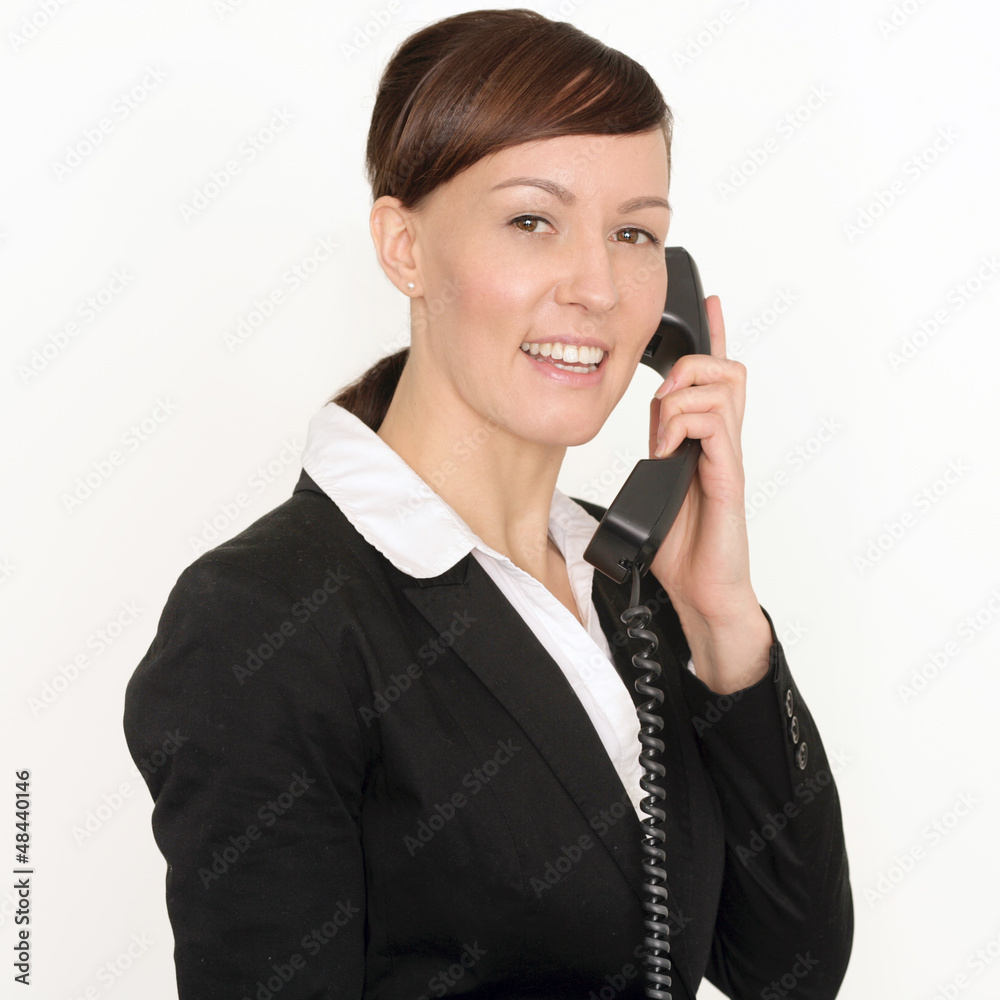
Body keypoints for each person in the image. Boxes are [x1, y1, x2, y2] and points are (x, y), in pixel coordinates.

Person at [123, 8, 853, 999]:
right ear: (404, 247)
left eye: (635, 233)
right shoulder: (263, 620)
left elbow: (788, 971)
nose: (599, 287)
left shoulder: (627, 586)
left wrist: (724, 625)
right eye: (532, 221)